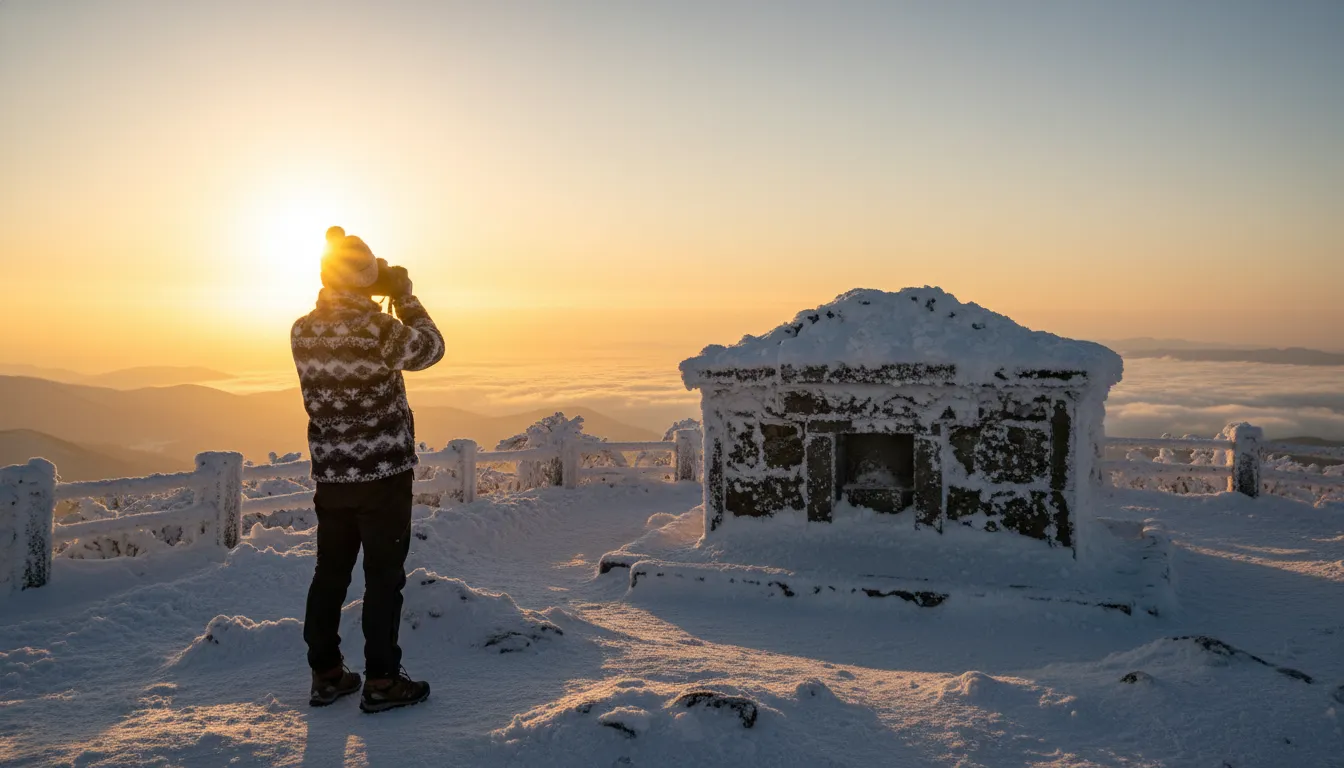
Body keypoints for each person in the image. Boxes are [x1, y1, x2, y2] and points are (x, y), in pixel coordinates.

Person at [292, 226, 445, 713]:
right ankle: (382, 681)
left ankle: (327, 674)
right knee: (383, 579)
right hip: (383, 477)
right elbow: (431, 348)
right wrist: (404, 297)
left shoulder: (302, 329)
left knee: (329, 574)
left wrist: (369, 284)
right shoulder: (378, 330)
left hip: (332, 477)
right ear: (364, 280)